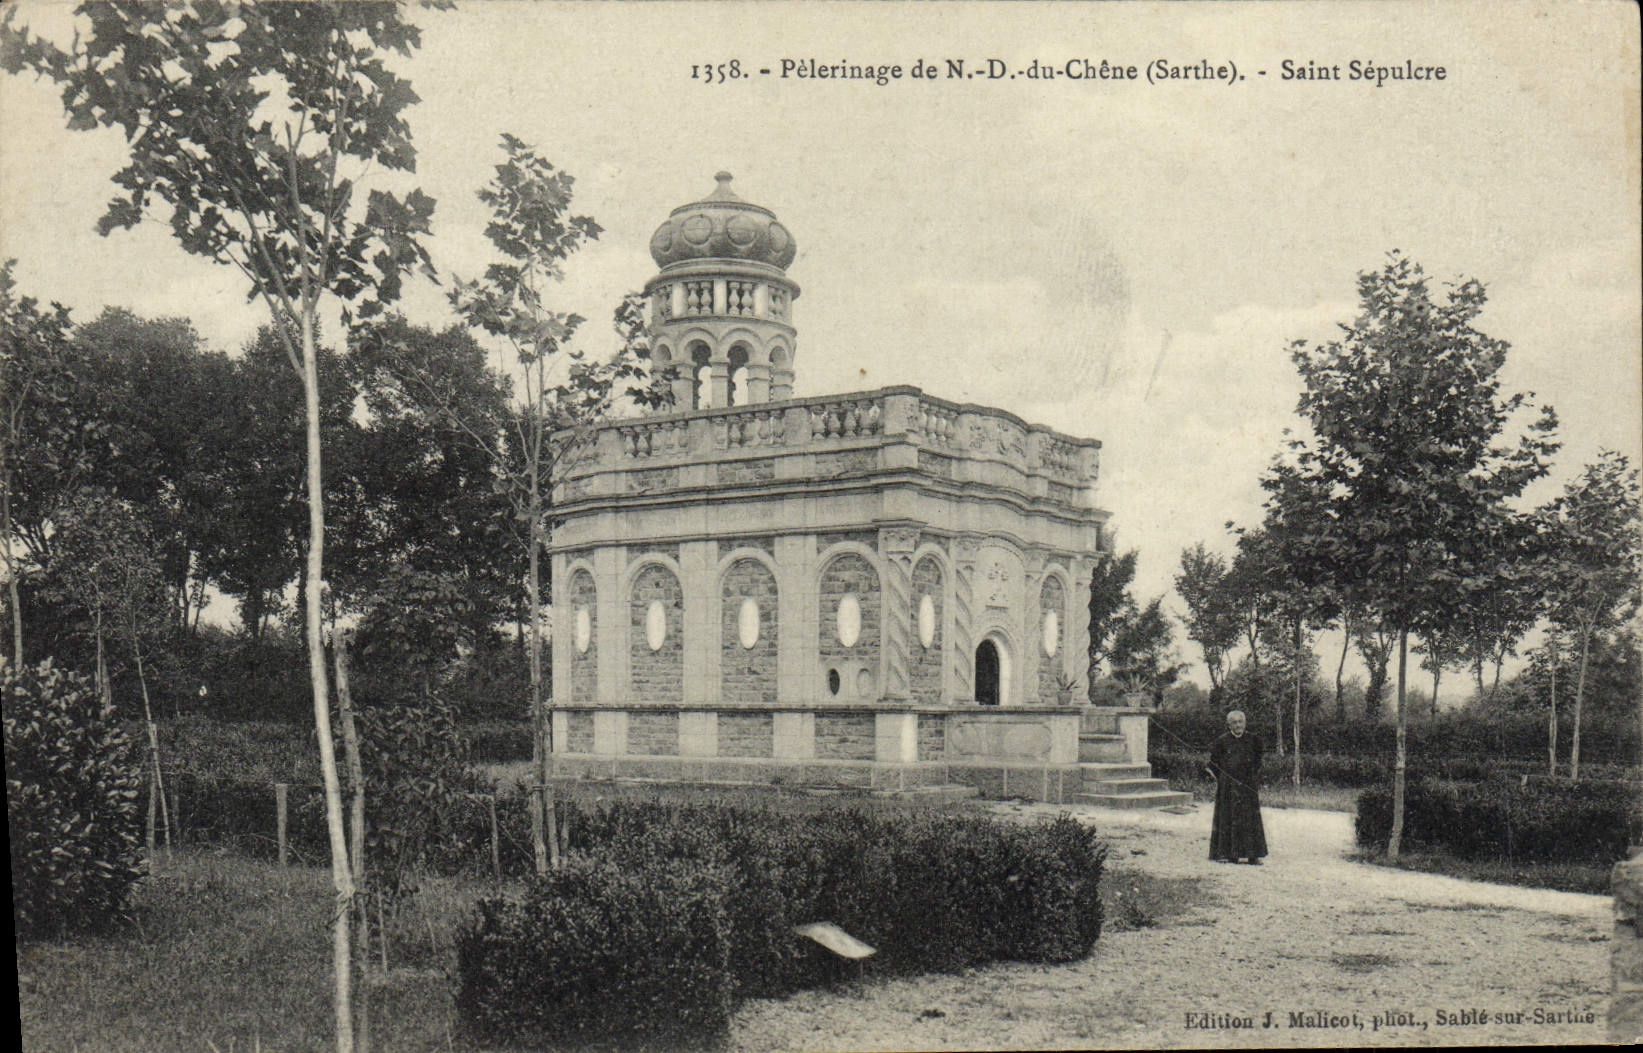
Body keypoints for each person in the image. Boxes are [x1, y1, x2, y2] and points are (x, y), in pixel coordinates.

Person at [1206, 709, 1267, 864]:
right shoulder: (1221, 741)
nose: (1238, 725)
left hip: (1247, 786)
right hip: (1228, 787)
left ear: (1245, 723)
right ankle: (1225, 854)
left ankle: (1253, 855)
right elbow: (1213, 764)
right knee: (1227, 817)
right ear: (1229, 725)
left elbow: (1258, 762)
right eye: (1234, 722)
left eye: (1240, 722)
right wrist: (1223, 779)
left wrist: (1251, 777)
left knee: (1250, 818)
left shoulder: (1254, 740)